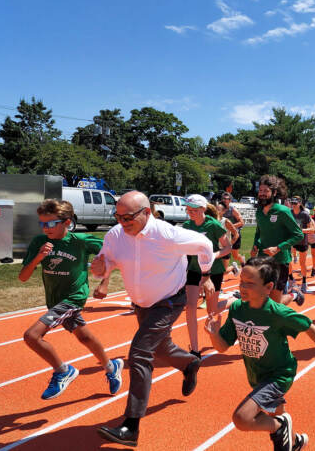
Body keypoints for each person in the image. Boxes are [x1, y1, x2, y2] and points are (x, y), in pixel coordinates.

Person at [92, 191, 215, 447]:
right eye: (118, 216)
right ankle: (189, 364)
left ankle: (131, 426)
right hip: (142, 303)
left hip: (170, 300)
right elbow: (106, 261)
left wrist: (205, 274)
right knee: (161, 347)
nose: (122, 222)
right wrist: (100, 270)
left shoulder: (167, 234)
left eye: (128, 217)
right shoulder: (115, 235)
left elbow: (205, 245)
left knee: (139, 354)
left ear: (146, 213)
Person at [204, 256, 315, 451]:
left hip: (279, 374)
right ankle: (295, 442)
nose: (243, 287)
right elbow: (222, 347)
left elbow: (308, 325)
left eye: (250, 283)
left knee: (242, 418)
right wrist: (213, 334)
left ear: (269, 287)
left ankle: (280, 428)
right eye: (241, 282)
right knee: (275, 414)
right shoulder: (237, 309)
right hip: (257, 374)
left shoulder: (277, 313)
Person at [18, 199, 123, 400]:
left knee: (32, 336)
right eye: (42, 223)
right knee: (84, 337)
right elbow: (23, 277)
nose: (45, 228)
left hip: (73, 298)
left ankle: (62, 371)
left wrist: (104, 283)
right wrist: (39, 258)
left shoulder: (80, 241)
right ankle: (112, 367)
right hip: (55, 300)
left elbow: (109, 255)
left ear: (67, 222)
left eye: (50, 223)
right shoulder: (39, 242)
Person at [182, 195, 232, 358]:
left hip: (213, 271)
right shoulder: (186, 226)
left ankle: (232, 301)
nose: (190, 213)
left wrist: (212, 255)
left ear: (203, 209)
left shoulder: (213, 225)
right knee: (190, 307)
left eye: (194, 210)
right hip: (194, 270)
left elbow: (227, 248)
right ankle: (195, 349)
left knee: (211, 312)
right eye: (188, 210)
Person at [251, 175, 305, 306]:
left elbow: (298, 235)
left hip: (280, 261)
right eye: (261, 191)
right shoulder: (259, 211)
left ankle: (294, 294)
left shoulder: (283, 211)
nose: (262, 194)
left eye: (266, 191)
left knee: (275, 303)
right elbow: (259, 231)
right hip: (263, 260)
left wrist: (278, 248)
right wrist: (255, 245)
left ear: (274, 193)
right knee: (260, 297)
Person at [290, 196, 315, 293]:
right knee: (288, 261)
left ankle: (304, 282)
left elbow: (312, 229)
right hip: (292, 240)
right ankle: (291, 280)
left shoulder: (304, 214)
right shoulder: (290, 213)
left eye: (295, 203)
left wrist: (301, 230)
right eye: (292, 203)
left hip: (302, 241)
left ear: (299, 204)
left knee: (302, 263)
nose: (293, 205)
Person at [216, 200, 241, 276]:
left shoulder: (226, 221)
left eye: (218, 209)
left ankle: (233, 268)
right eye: (215, 208)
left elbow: (236, 234)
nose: (216, 211)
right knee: (213, 271)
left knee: (223, 271)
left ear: (223, 211)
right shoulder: (212, 221)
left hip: (225, 249)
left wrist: (230, 244)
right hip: (215, 248)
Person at [222, 191, 246, 267]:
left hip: (235, 235)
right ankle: (226, 268)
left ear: (230, 200)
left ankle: (242, 259)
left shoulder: (233, 210)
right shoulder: (220, 209)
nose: (225, 200)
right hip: (225, 236)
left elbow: (242, 222)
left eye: (227, 199)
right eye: (223, 198)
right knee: (224, 254)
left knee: (235, 256)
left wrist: (230, 227)